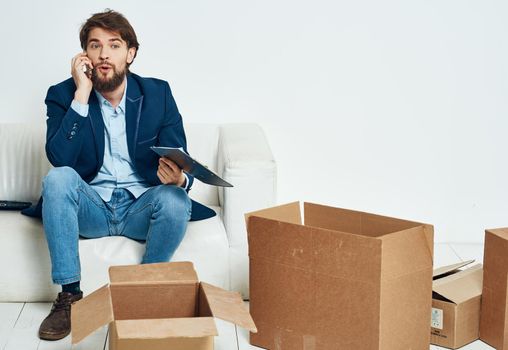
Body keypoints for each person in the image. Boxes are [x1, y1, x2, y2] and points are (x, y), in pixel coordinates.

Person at [24, 9, 215, 341]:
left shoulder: (157, 94)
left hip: (140, 207)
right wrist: (81, 94)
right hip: (92, 208)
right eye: (95, 46)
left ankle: (143, 291)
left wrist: (180, 180)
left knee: (174, 198)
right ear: (85, 55)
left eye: (114, 45)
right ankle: (69, 296)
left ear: (130, 53)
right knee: (58, 179)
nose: (104, 54)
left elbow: (180, 156)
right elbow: (60, 159)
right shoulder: (62, 94)